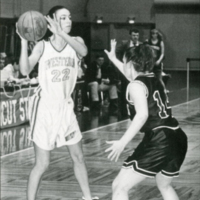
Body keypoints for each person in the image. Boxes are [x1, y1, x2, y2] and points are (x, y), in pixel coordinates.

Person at [17, 5, 98, 200]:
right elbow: (25, 71)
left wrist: (62, 33)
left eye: (69, 17)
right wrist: (22, 41)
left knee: (78, 156)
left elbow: (84, 52)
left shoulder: (75, 42)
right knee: (42, 164)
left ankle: (88, 197)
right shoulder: (42, 46)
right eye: (63, 18)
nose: (69, 20)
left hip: (65, 108)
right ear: (51, 20)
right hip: (44, 107)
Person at [104, 40, 188, 200]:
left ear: (129, 63)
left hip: (160, 140)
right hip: (177, 137)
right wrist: (114, 58)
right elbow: (131, 74)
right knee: (164, 185)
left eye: (124, 62)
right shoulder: (155, 78)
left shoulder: (135, 86)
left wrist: (122, 142)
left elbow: (142, 115)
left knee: (119, 186)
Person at [115, 29, 142, 116]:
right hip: (127, 70)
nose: (135, 37)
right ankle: (123, 112)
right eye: (134, 35)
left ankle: (136, 110)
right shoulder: (124, 44)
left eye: (137, 35)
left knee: (136, 91)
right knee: (125, 90)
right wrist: (122, 63)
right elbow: (116, 52)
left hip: (137, 71)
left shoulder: (141, 45)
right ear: (130, 35)